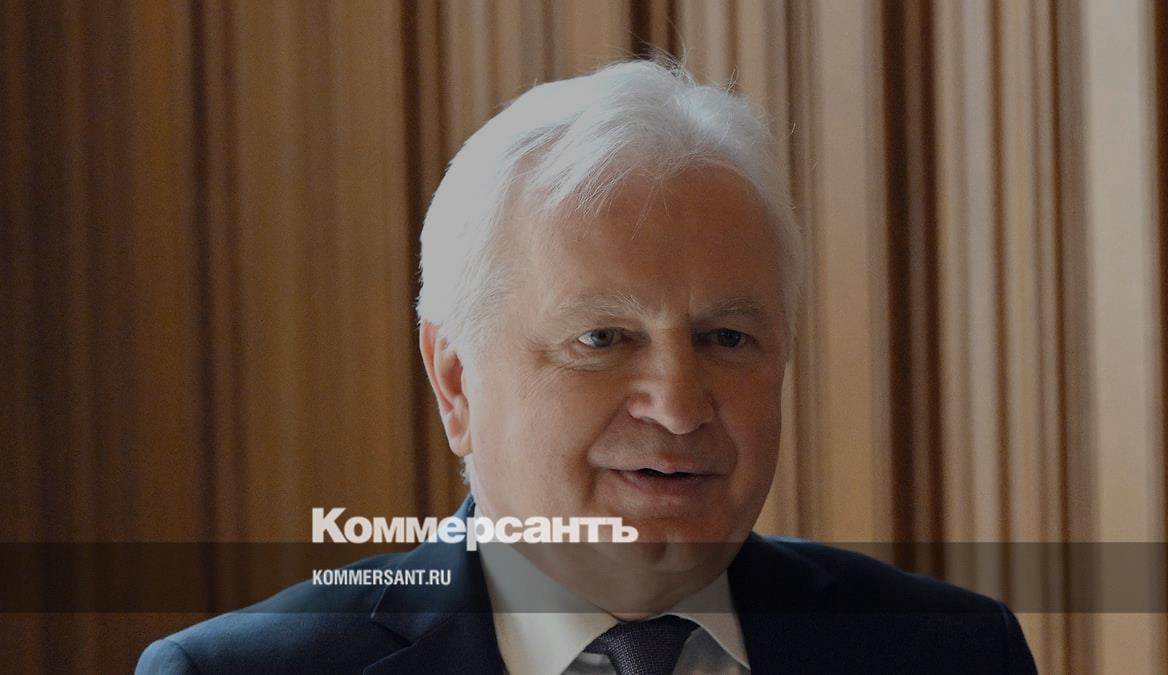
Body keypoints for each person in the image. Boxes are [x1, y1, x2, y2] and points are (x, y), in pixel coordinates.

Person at [137, 60, 1037, 674]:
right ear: (455, 381)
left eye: (726, 337)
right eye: (603, 339)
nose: (679, 406)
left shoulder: (950, 652)